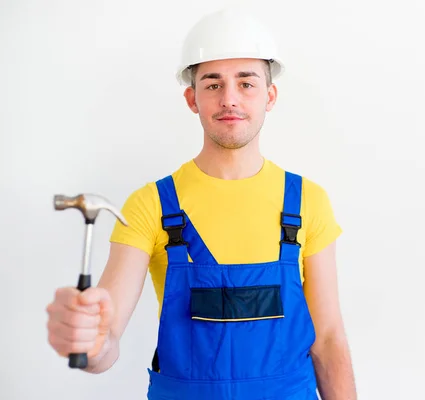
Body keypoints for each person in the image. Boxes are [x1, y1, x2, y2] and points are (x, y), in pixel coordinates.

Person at [45, 8, 356, 400]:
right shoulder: (150, 206)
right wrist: (86, 340)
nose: (229, 99)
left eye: (246, 84)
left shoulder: (308, 201)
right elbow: (105, 342)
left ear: (269, 95)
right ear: (192, 98)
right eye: (213, 85)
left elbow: (328, 340)